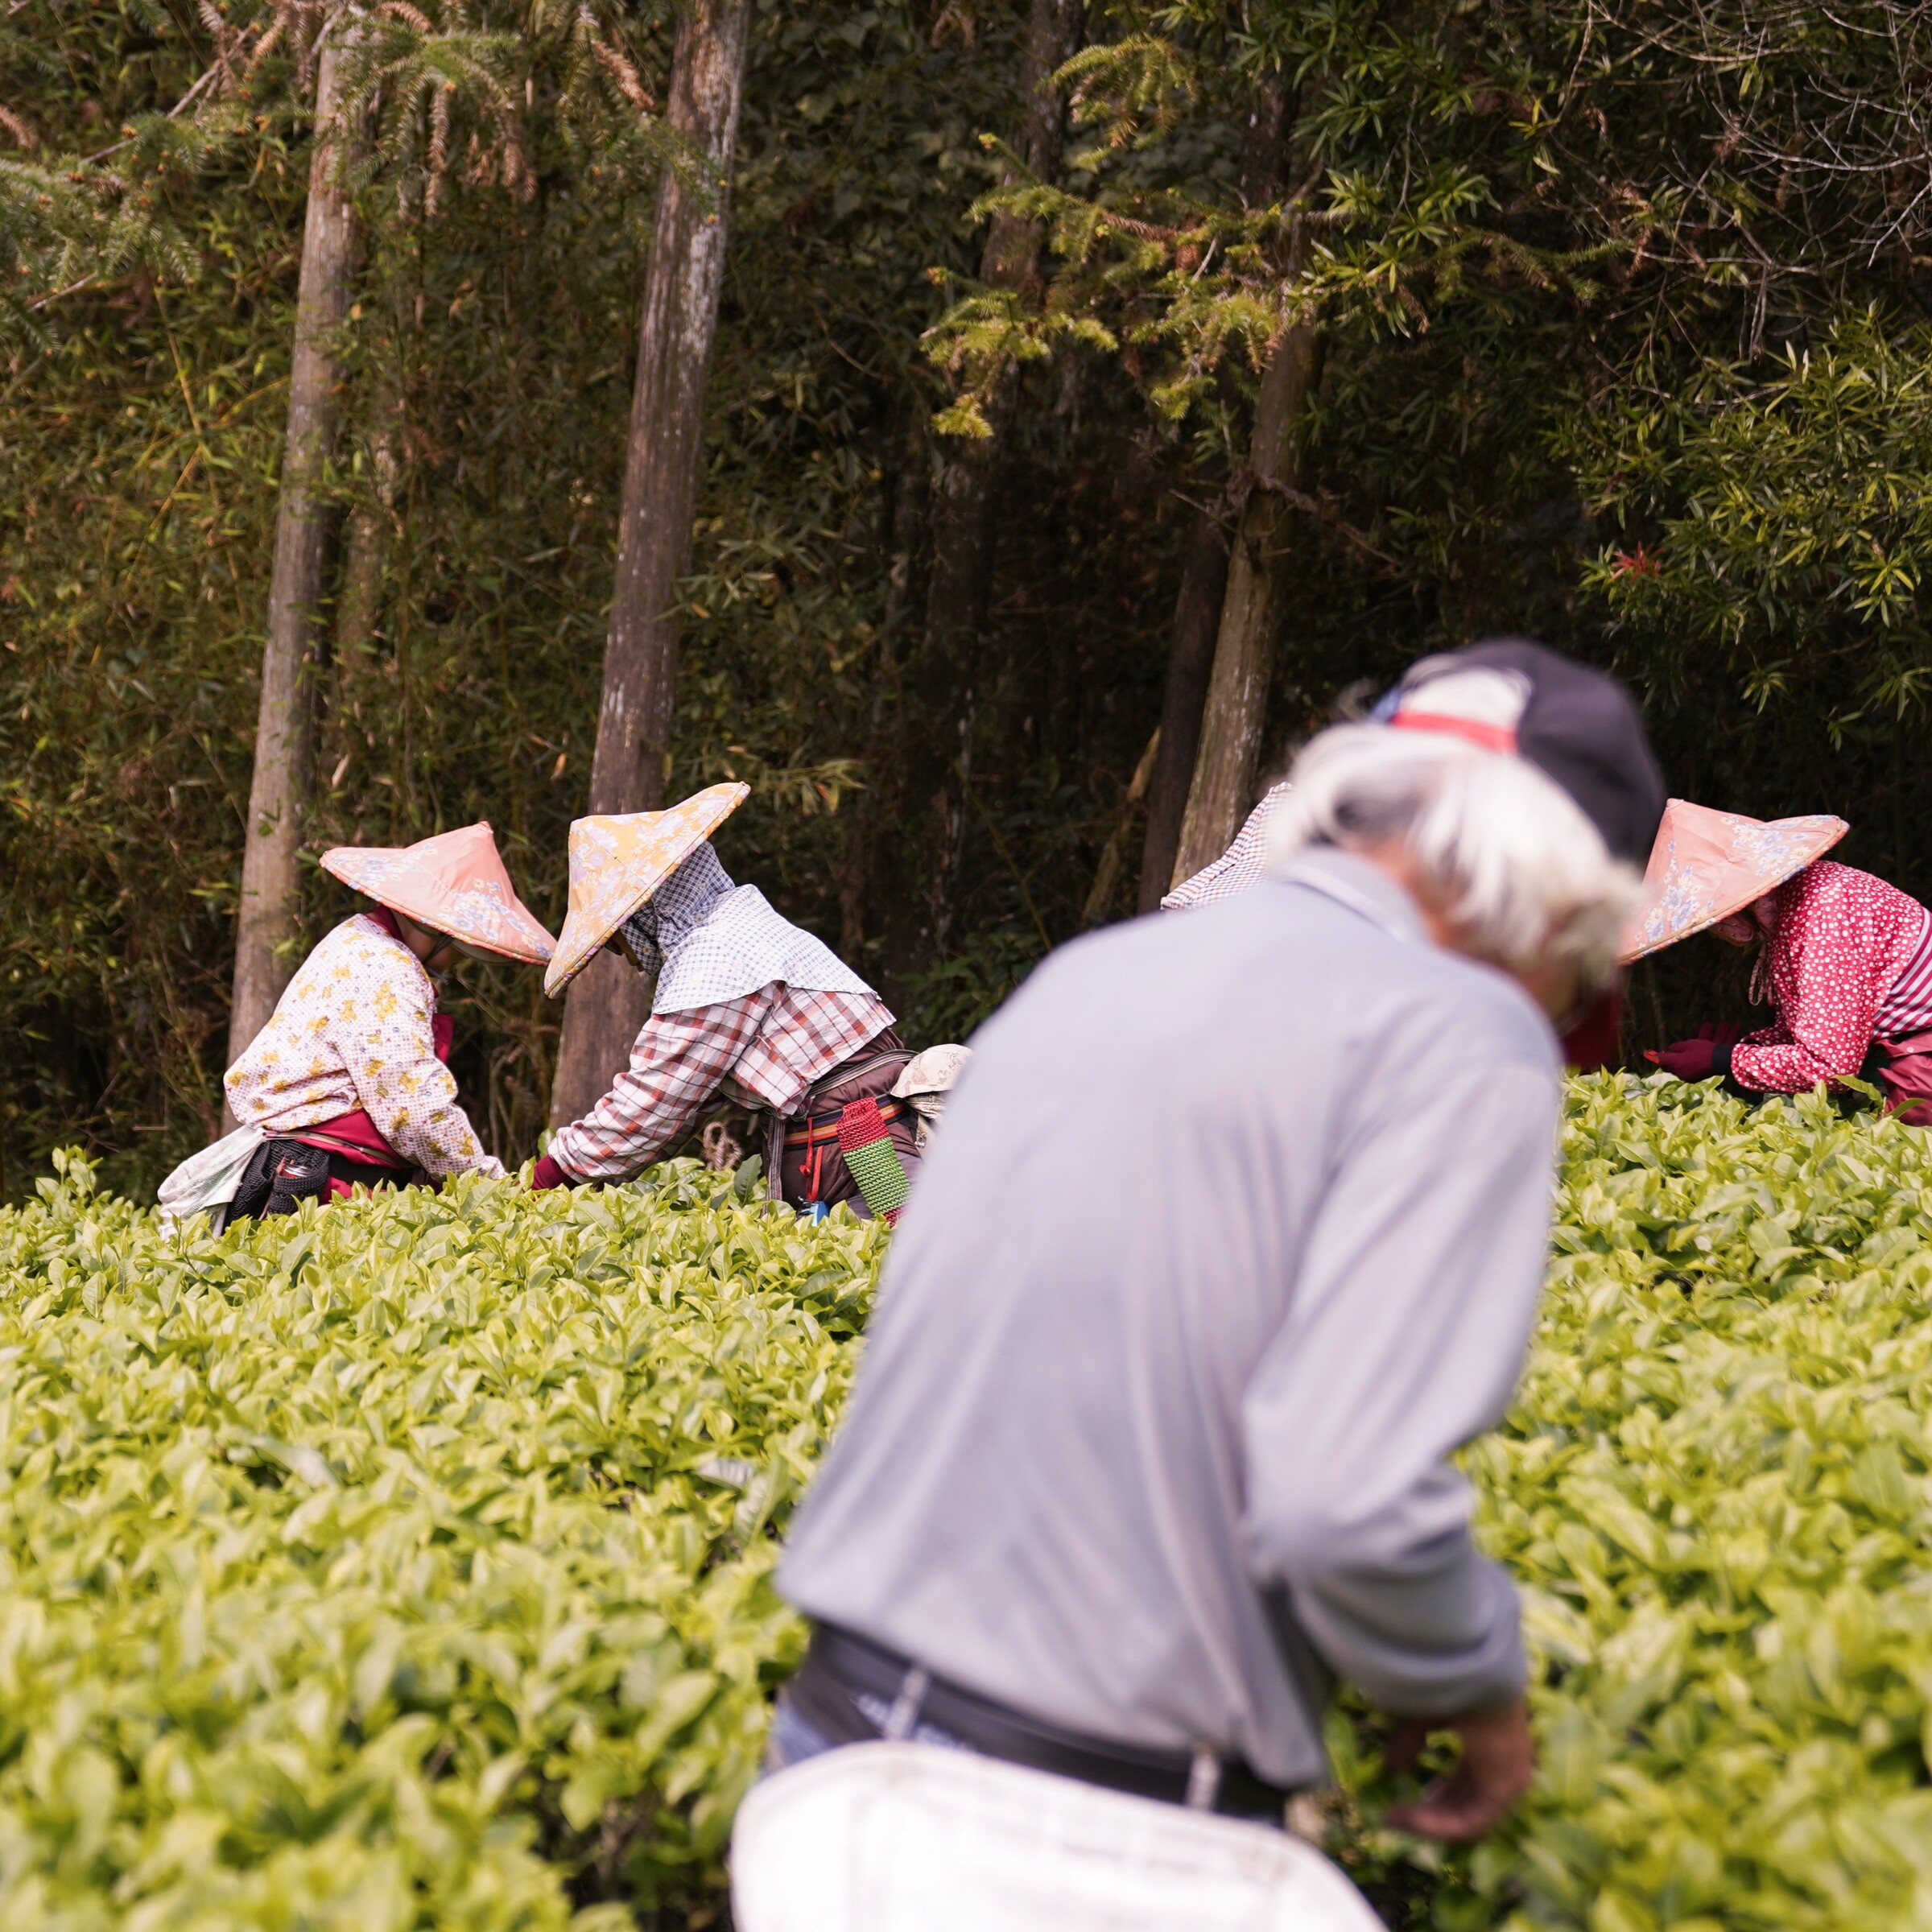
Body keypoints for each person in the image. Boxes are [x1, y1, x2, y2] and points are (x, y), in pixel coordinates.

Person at [729, 641, 1665, 1932]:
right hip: (1099, 1832)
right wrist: (1471, 1686)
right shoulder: (1464, 1033)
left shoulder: (1088, 975)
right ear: (1561, 899)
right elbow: (1344, 1496)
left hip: (828, 1782)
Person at [532, 785, 925, 1220]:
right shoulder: (743, 924)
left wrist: (550, 1175)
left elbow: (652, 1102)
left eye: (615, 938)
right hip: (870, 1126)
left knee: (903, 1259)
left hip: (861, 1141)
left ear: (643, 912)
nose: (623, 953)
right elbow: (687, 1105)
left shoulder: (715, 955)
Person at [219, 822, 555, 1220]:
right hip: (321, 1177)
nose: (459, 961)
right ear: (435, 929)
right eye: (460, 950)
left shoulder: (358, 938)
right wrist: (487, 1186)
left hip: (315, 1163)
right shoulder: (386, 967)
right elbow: (411, 1105)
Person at [1629, 799, 1932, 1118]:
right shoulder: (1793, 908)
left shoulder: (1823, 912)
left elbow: (1828, 1066)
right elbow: (1814, 1030)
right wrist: (1748, 1047)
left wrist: (1722, 1059)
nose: (1717, 929)